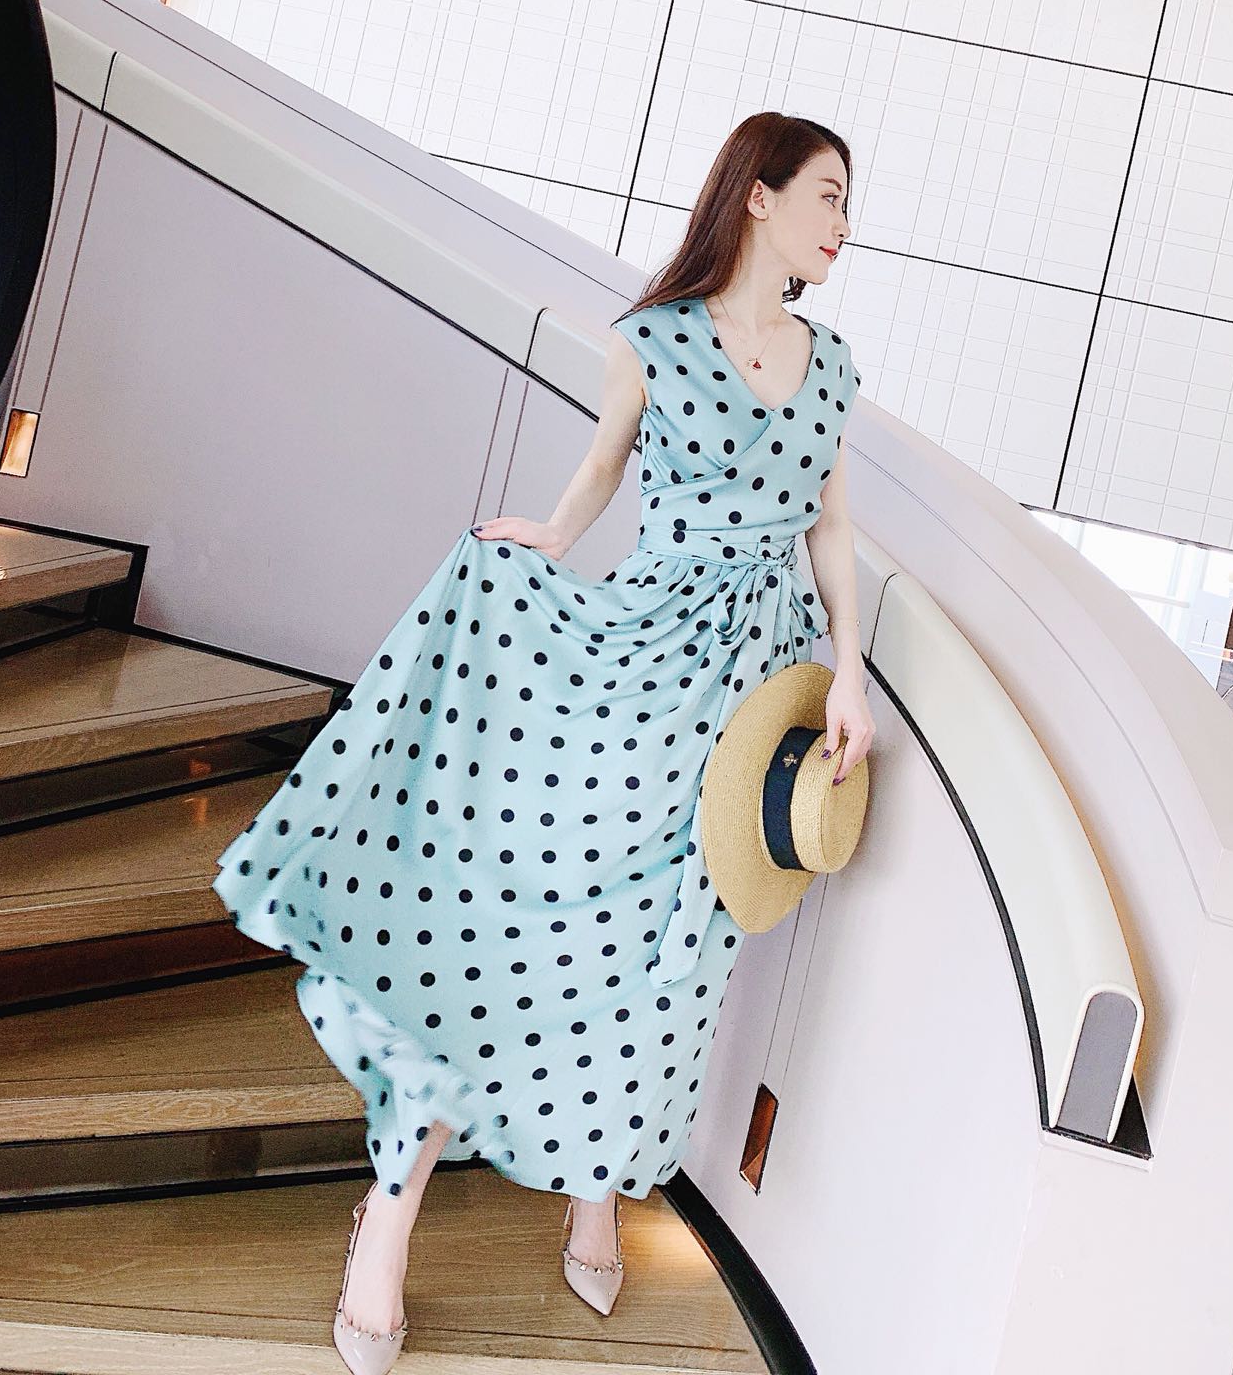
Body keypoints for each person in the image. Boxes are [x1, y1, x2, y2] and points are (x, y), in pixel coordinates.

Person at [210, 112, 874, 1365]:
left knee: (673, 968)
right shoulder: (653, 340)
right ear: (759, 195)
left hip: (755, 700)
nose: (846, 223)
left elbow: (830, 528)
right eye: (829, 194)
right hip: (639, 665)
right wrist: (552, 541)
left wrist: (848, 672)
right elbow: (603, 472)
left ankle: (596, 1186)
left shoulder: (833, 367)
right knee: (511, 939)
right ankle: (388, 1219)